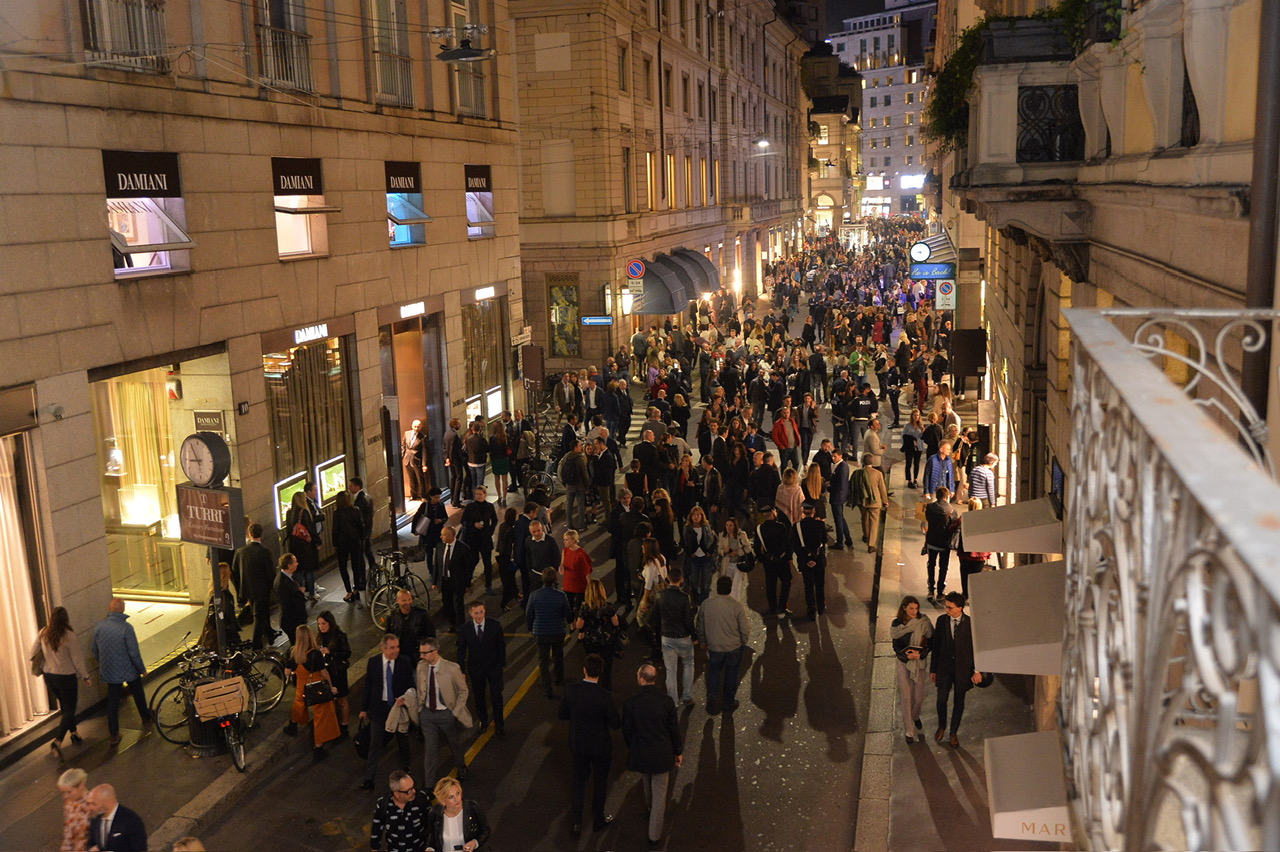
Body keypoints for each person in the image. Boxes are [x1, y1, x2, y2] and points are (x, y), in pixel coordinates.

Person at [558, 654, 620, 836]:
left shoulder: (571, 690)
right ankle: (598, 819)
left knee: (578, 782)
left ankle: (577, 821)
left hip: (578, 743)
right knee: (600, 783)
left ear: (584, 670)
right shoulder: (605, 696)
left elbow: (562, 714)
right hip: (600, 746)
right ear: (601, 671)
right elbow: (615, 723)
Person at [621, 663, 682, 848]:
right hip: (662, 754)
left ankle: (650, 807)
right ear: (654, 679)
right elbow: (674, 729)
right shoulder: (666, 702)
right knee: (660, 792)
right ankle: (654, 835)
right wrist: (678, 751)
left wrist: (633, 747)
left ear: (641, 679)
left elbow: (627, 732)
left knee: (646, 783)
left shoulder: (631, 703)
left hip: (641, 752)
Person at [32, 606, 91, 759]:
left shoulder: (43, 633)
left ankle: (74, 733)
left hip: (49, 676)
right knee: (70, 709)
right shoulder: (68, 636)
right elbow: (77, 659)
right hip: (66, 677)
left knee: (65, 706)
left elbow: (32, 652)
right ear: (65, 619)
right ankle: (57, 741)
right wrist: (85, 676)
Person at [359, 634, 415, 790]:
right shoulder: (374, 662)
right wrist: (364, 708)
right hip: (378, 709)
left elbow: (411, 685)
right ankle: (369, 778)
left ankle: (406, 770)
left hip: (398, 709)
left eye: (397, 647)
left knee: (402, 741)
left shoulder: (404, 662)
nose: (396, 650)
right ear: (383, 648)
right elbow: (368, 686)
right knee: (375, 744)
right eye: (392, 648)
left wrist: (405, 699)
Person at [90, 599, 150, 747]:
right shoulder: (126, 628)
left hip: (110, 670)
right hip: (128, 669)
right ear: (122, 610)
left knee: (113, 701)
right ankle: (146, 716)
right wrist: (142, 669)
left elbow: (94, 649)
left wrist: (102, 663)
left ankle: (114, 734)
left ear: (110, 609)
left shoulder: (100, 627)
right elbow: (133, 652)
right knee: (138, 692)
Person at [930, 592, 983, 749]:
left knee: (959, 702)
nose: (946, 610)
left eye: (950, 607)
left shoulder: (970, 624)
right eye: (946, 607)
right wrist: (933, 669)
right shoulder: (941, 621)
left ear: (960, 608)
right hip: (944, 668)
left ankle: (953, 732)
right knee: (941, 700)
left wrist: (977, 670)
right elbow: (936, 646)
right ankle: (942, 725)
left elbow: (976, 649)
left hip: (962, 669)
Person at [416, 638, 472, 783]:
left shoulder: (452, 668)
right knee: (430, 750)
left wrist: (455, 711)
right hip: (427, 714)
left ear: (435, 651)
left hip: (446, 713)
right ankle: (429, 784)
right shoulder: (421, 667)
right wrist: (420, 709)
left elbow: (463, 691)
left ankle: (461, 766)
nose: (421, 656)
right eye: (420, 653)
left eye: (425, 653)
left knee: (454, 743)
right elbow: (420, 688)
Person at [285, 625, 341, 760]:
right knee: (322, 716)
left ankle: (293, 725)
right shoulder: (315, 654)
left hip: (301, 686)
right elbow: (324, 673)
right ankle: (318, 748)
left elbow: (287, 672)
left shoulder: (292, 652)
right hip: (317, 688)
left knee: (299, 704)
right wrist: (331, 687)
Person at [697, 575, 751, 714]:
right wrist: (744, 640)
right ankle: (728, 702)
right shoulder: (737, 606)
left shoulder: (706, 604)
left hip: (714, 646)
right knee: (732, 674)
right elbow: (744, 628)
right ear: (730, 588)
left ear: (717, 588)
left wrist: (703, 641)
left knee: (714, 672)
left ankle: (712, 698)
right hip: (733, 646)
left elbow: (700, 625)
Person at [457, 601, 506, 737]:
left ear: (484, 611)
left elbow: (501, 646)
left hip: (494, 667)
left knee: (496, 696)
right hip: (476, 668)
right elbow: (461, 651)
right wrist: (461, 670)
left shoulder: (495, 625)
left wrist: (500, 664)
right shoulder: (465, 629)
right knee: (479, 696)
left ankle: (499, 725)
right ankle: (483, 721)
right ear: (470, 613)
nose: (479, 616)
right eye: (476, 613)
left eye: (481, 612)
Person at [890, 596, 934, 743]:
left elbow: (932, 641)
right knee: (906, 696)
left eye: (916, 608)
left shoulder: (924, 622)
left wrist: (921, 654)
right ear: (904, 608)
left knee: (919, 696)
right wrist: (905, 656)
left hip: (919, 663)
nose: (914, 611)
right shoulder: (897, 624)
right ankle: (909, 730)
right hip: (904, 663)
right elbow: (895, 645)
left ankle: (915, 716)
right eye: (911, 609)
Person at [527, 568, 573, 699]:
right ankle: (559, 678)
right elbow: (567, 613)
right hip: (557, 631)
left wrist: (531, 628)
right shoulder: (561, 595)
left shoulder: (534, 595)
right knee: (558, 656)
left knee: (543, 660)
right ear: (555, 580)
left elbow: (529, 614)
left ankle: (546, 687)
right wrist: (570, 621)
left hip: (540, 632)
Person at [653, 566, 696, 705]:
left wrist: (658, 638)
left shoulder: (660, 595)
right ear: (681, 579)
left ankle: (673, 701)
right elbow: (687, 620)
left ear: (668, 578)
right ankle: (687, 696)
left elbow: (656, 618)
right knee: (688, 664)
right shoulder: (684, 597)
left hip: (667, 636)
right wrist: (694, 636)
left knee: (670, 671)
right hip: (683, 637)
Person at [234, 523, 278, 649]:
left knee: (259, 613)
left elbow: (235, 570)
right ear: (261, 534)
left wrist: (240, 588)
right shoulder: (264, 552)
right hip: (261, 590)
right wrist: (272, 588)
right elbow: (270, 572)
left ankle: (270, 634)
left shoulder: (241, 551)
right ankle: (256, 644)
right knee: (259, 616)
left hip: (247, 589)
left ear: (249, 534)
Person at [574, 580, 621, 690]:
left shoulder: (585, 608)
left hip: (591, 640)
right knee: (607, 667)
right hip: (606, 640)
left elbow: (579, 625)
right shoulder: (608, 607)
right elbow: (616, 623)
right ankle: (605, 689)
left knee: (592, 665)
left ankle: (592, 687)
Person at [423, 777, 491, 852]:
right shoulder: (435, 813)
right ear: (443, 801)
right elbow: (432, 837)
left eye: (457, 793)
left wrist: (475, 842)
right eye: (451, 797)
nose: (457, 799)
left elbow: (485, 830)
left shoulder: (472, 808)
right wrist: (430, 849)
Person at [371, 770, 429, 852]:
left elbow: (432, 824)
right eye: (409, 791)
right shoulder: (383, 804)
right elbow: (376, 830)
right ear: (396, 794)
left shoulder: (422, 798)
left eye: (413, 786)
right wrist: (374, 848)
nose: (414, 791)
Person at [434, 526, 477, 633]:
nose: (441, 537)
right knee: (447, 604)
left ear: (450, 536)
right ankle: (452, 623)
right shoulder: (440, 546)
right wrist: (435, 582)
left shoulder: (463, 548)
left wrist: (467, 584)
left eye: (443, 535)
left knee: (458, 605)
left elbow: (468, 568)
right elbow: (437, 565)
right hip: (444, 581)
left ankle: (460, 627)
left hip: (457, 582)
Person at [316, 611, 353, 735]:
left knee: (342, 699)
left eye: (324, 623)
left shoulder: (339, 635)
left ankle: (345, 725)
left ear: (330, 623)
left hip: (338, 671)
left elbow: (347, 653)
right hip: (326, 671)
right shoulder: (319, 637)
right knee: (329, 700)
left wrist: (331, 652)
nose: (321, 626)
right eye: (319, 624)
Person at [755, 505, 794, 617]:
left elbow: (757, 548)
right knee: (786, 580)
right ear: (772, 513)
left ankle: (772, 607)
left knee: (770, 584)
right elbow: (787, 544)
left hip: (769, 562)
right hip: (782, 560)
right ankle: (782, 605)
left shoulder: (760, 529)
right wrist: (789, 557)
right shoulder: (781, 527)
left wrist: (764, 559)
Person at [459, 487, 498, 596]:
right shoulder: (470, 507)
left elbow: (494, 520)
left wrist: (490, 531)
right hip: (473, 539)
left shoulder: (489, 506)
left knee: (487, 563)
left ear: (485, 495)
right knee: (472, 561)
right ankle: (467, 584)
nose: (478, 496)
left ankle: (488, 585)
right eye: (477, 494)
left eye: (480, 494)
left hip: (485, 538)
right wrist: (473, 524)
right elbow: (463, 521)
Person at [792, 502, 828, 621]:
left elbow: (796, 546)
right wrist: (815, 558)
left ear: (803, 511)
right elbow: (824, 541)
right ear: (814, 511)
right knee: (819, 584)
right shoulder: (820, 525)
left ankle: (811, 609)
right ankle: (821, 606)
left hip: (805, 561)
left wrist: (807, 560)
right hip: (819, 560)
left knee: (808, 585)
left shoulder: (797, 526)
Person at [923, 487, 960, 601]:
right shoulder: (952, 511)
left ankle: (930, 588)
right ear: (947, 496)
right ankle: (940, 591)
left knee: (931, 564)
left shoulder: (929, 507)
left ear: (936, 495)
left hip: (931, 541)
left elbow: (927, 520)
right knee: (943, 567)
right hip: (944, 543)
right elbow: (954, 527)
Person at [285, 489, 322, 601]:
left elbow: (289, 530)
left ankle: (300, 593)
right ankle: (312, 593)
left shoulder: (289, 513)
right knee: (309, 570)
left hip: (294, 546)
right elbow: (310, 529)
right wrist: (317, 541)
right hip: (306, 546)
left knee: (298, 571)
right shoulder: (304, 512)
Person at [849, 453, 890, 554]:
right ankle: (871, 544)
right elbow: (882, 489)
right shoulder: (878, 473)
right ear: (872, 462)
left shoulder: (857, 473)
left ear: (862, 461)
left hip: (862, 501)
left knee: (864, 518)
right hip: (875, 502)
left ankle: (866, 535)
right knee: (874, 522)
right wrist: (885, 501)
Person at [86, 784, 146, 852]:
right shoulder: (95, 819)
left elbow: (139, 849)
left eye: (94, 804)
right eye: (88, 804)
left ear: (109, 803)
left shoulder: (131, 821)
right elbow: (90, 842)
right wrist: (91, 849)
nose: (90, 808)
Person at [385, 589, 435, 666]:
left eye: (409, 599)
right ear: (397, 601)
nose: (408, 602)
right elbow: (387, 637)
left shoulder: (422, 614)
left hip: (418, 655)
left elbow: (431, 635)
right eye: (404, 600)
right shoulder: (392, 616)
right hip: (399, 656)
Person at [333, 490, 367, 603]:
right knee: (355, 565)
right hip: (355, 541)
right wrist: (361, 538)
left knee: (343, 567)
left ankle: (348, 591)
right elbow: (361, 526)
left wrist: (335, 543)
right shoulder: (355, 510)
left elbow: (335, 530)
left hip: (342, 543)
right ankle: (356, 589)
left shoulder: (337, 513)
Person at [957, 499, 992, 600]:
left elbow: (953, 527)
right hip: (980, 554)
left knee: (965, 575)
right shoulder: (984, 519)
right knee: (977, 576)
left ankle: (966, 594)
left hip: (965, 553)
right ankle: (975, 595)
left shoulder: (964, 518)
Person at [681, 506, 716, 603]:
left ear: (701, 516)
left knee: (706, 582)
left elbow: (714, 539)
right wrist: (690, 553)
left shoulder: (706, 526)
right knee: (694, 581)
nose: (696, 517)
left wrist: (710, 552)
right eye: (694, 515)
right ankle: (695, 601)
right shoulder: (687, 528)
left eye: (698, 515)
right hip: (694, 558)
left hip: (706, 557)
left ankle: (704, 601)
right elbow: (683, 542)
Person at [275, 554, 309, 650]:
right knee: (298, 647)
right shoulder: (282, 582)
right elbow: (287, 603)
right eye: (295, 562)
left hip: (295, 619)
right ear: (289, 566)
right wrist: (301, 593)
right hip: (291, 621)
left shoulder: (289, 577)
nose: (297, 564)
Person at [350, 477, 379, 584]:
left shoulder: (360, 501)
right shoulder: (368, 497)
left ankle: (363, 578)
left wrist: (361, 532)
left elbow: (362, 518)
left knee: (360, 556)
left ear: (357, 487)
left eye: (351, 486)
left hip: (362, 532)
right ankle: (373, 568)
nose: (349, 488)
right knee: (367, 551)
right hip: (367, 531)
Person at [716, 516, 752, 602]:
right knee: (727, 585)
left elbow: (748, 548)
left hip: (739, 564)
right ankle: (728, 602)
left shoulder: (741, 535)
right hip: (727, 564)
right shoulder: (723, 536)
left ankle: (735, 603)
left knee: (736, 586)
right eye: (727, 525)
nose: (728, 527)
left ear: (735, 526)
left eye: (730, 525)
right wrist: (724, 551)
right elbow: (719, 549)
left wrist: (738, 552)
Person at [57, 767, 93, 852]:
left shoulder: (94, 804)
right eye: (63, 792)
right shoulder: (69, 804)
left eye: (69, 792)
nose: (65, 796)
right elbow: (68, 830)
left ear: (81, 786)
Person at [560, 528, 593, 614]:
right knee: (568, 606)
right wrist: (561, 568)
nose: (564, 542)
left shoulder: (581, 554)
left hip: (578, 584)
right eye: (564, 540)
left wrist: (590, 587)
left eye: (566, 540)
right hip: (568, 583)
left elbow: (587, 571)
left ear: (573, 540)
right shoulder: (565, 551)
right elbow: (562, 564)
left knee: (579, 608)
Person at [402, 419, 428, 501]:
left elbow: (424, 451)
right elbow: (403, 445)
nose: (416, 428)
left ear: (421, 427)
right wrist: (402, 456)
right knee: (411, 478)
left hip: (417, 460)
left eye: (418, 427)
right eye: (415, 426)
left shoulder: (423, 437)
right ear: (412, 426)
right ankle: (413, 495)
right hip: (407, 459)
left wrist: (424, 464)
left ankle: (422, 496)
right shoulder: (407, 433)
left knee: (420, 479)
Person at [901, 409, 925, 489]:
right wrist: (904, 445)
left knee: (916, 463)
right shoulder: (907, 426)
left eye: (917, 415)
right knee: (908, 463)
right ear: (912, 416)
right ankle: (909, 480)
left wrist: (923, 432)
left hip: (918, 447)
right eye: (915, 415)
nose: (916, 417)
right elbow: (903, 436)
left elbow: (922, 438)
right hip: (909, 447)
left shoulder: (921, 426)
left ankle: (915, 479)